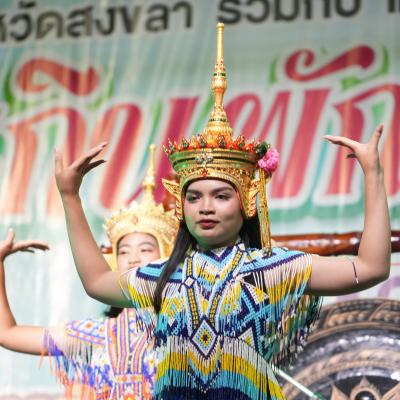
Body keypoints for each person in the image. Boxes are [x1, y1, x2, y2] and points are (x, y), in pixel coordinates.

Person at [54, 24, 391, 400]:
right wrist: (70, 197)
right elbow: (98, 282)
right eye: (194, 197)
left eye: (220, 196)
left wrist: (373, 174)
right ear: (181, 206)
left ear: (246, 202)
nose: (206, 207)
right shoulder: (163, 277)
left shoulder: (273, 269)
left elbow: (371, 268)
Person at [0, 145, 178, 400]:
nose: (134, 258)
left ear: (167, 256)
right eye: (124, 251)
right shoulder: (97, 335)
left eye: (146, 249)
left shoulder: (184, 325)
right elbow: (7, 334)